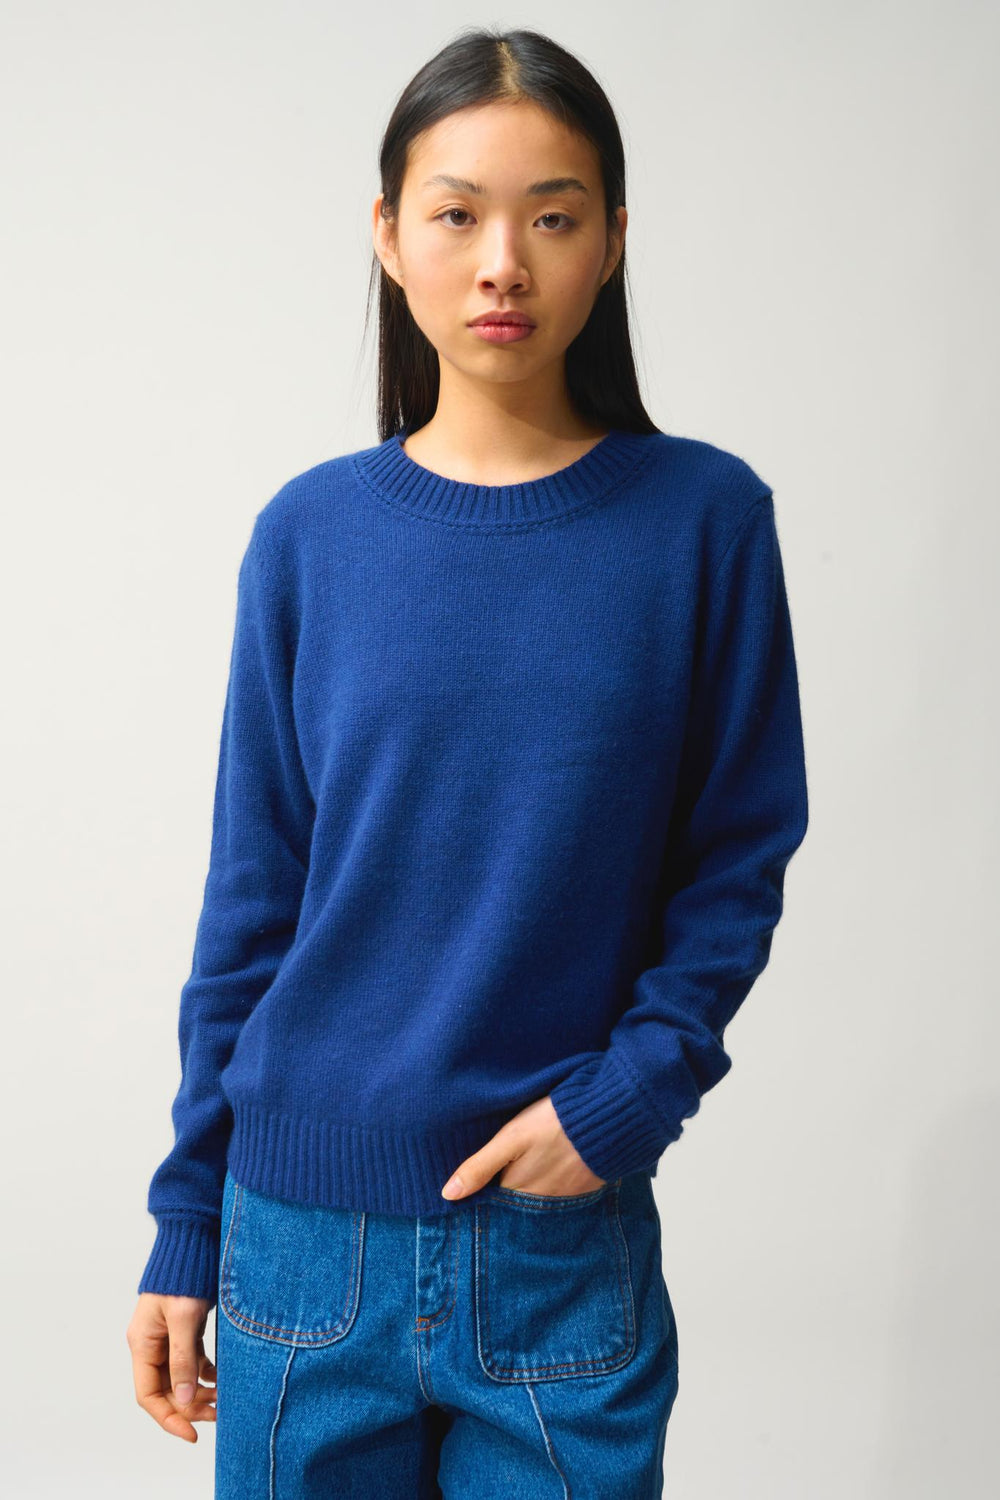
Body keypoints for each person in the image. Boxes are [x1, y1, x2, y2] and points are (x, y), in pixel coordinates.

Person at [126, 25, 809, 1498]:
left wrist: (628, 1100)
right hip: (298, 1242)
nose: (503, 263)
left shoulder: (704, 524)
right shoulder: (309, 536)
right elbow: (252, 904)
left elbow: (738, 864)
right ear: (388, 236)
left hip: (557, 1248)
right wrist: (186, 1221)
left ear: (612, 240)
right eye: (457, 215)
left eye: (552, 218)